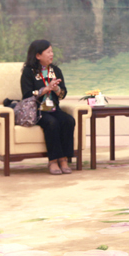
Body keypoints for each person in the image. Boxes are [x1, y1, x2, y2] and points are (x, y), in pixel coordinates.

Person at [21, 40, 75, 175]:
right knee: (52, 123)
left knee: (69, 120)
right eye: (48, 52)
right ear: (38, 55)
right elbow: (26, 95)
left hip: (53, 108)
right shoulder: (28, 72)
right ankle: (53, 160)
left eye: (52, 51)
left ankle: (64, 159)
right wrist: (45, 89)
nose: (52, 54)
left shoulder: (56, 71)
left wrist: (56, 89)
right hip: (37, 110)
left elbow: (62, 94)